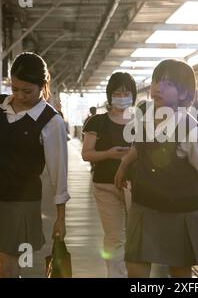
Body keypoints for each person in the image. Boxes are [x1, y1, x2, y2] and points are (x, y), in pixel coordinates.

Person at [0, 52, 70, 278]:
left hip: (20, 203)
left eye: (27, 91)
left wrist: (61, 219)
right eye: (15, 89)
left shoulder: (51, 121)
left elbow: (58, 175)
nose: (19, 96)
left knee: (10, 265)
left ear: (42, 86)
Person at [114, 59, 198, 278]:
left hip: (180, 209)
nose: (157, 87)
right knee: (136, 263)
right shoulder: (147, 118)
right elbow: (140, 146)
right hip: (144, 202)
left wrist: (196, 205)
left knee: (179, 268)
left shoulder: (194, 132)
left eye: (168, 84)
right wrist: (123, 165)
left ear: (185, 94)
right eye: (157, 81)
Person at [81, 72, 136, 278]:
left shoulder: (140, 121)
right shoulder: (97, 121)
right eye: (118, 92)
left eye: (127, 92)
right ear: (110, 94)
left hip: (136, 185)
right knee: (114, 237)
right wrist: (109, 154)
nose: (122, 96)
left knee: (136, 236)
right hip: (106, 185)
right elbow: (86, 154)